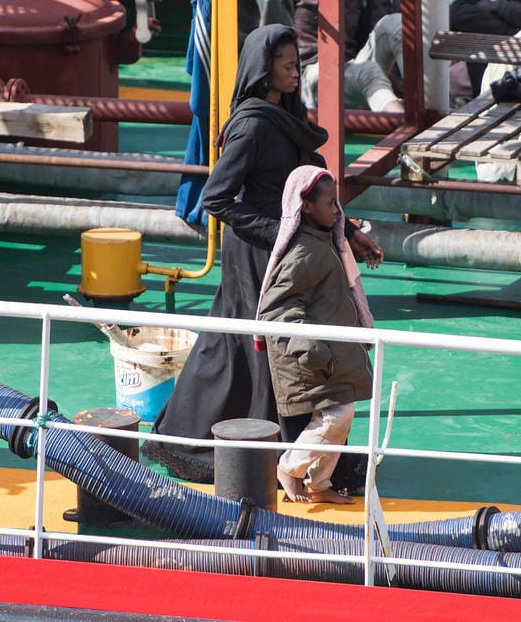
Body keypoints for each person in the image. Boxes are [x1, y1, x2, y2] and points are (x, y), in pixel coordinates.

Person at [143, 25, 382, 485]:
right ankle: (248, 445)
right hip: (257, 255)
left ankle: (282, 445)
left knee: (250, 343)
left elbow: (306, 191)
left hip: (290, 251)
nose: (296, 71)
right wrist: (279, 235)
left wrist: (348, 231)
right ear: (263, 68)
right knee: (260, 344)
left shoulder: (287, 118)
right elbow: (217, 199)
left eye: (298, 63)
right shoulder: (252, 126)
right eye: (287, 64)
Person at [257, 166, 376, 505]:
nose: (338, 211)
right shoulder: (305, 252)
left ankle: (319, 483)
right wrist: (313, 351)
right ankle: (290, 469)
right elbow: (276, 309)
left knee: (341, 417)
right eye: (331, 204)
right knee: (338, 416)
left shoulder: (322, 244)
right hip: (313, 358)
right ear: (306, 207)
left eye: (338, 204)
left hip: (329, 354)